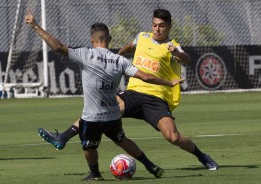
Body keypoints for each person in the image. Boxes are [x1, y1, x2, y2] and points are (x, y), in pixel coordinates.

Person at [38, 8, 219, 171]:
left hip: (155, 98)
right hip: (132, 94)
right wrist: (117, 55)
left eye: (161, 26)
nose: (157, 29)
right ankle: (62, 137)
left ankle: (201, 156)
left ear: (169, 27)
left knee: (173, 137)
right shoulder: (142, 37)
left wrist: (176, 53)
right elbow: (130, 46)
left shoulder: (171, 45)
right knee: (99, 109)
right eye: (154, 25)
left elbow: (186, 58)